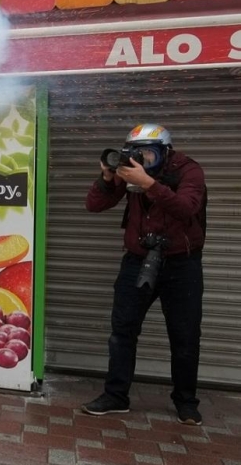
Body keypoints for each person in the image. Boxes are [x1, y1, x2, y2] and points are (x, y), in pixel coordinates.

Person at [81, 123, 207, 426]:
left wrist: (148, 183)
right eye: (136, 152)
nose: (142, 159)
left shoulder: (189, 170)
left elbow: (187, 208)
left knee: (185, 335)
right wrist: (108, 177)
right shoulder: (132, 170)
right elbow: (94, 204)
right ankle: (116, 396)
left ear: (165, 151)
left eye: (149, 153)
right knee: (122, 329)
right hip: (137, 259)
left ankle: (186, 402)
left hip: (181, 263)